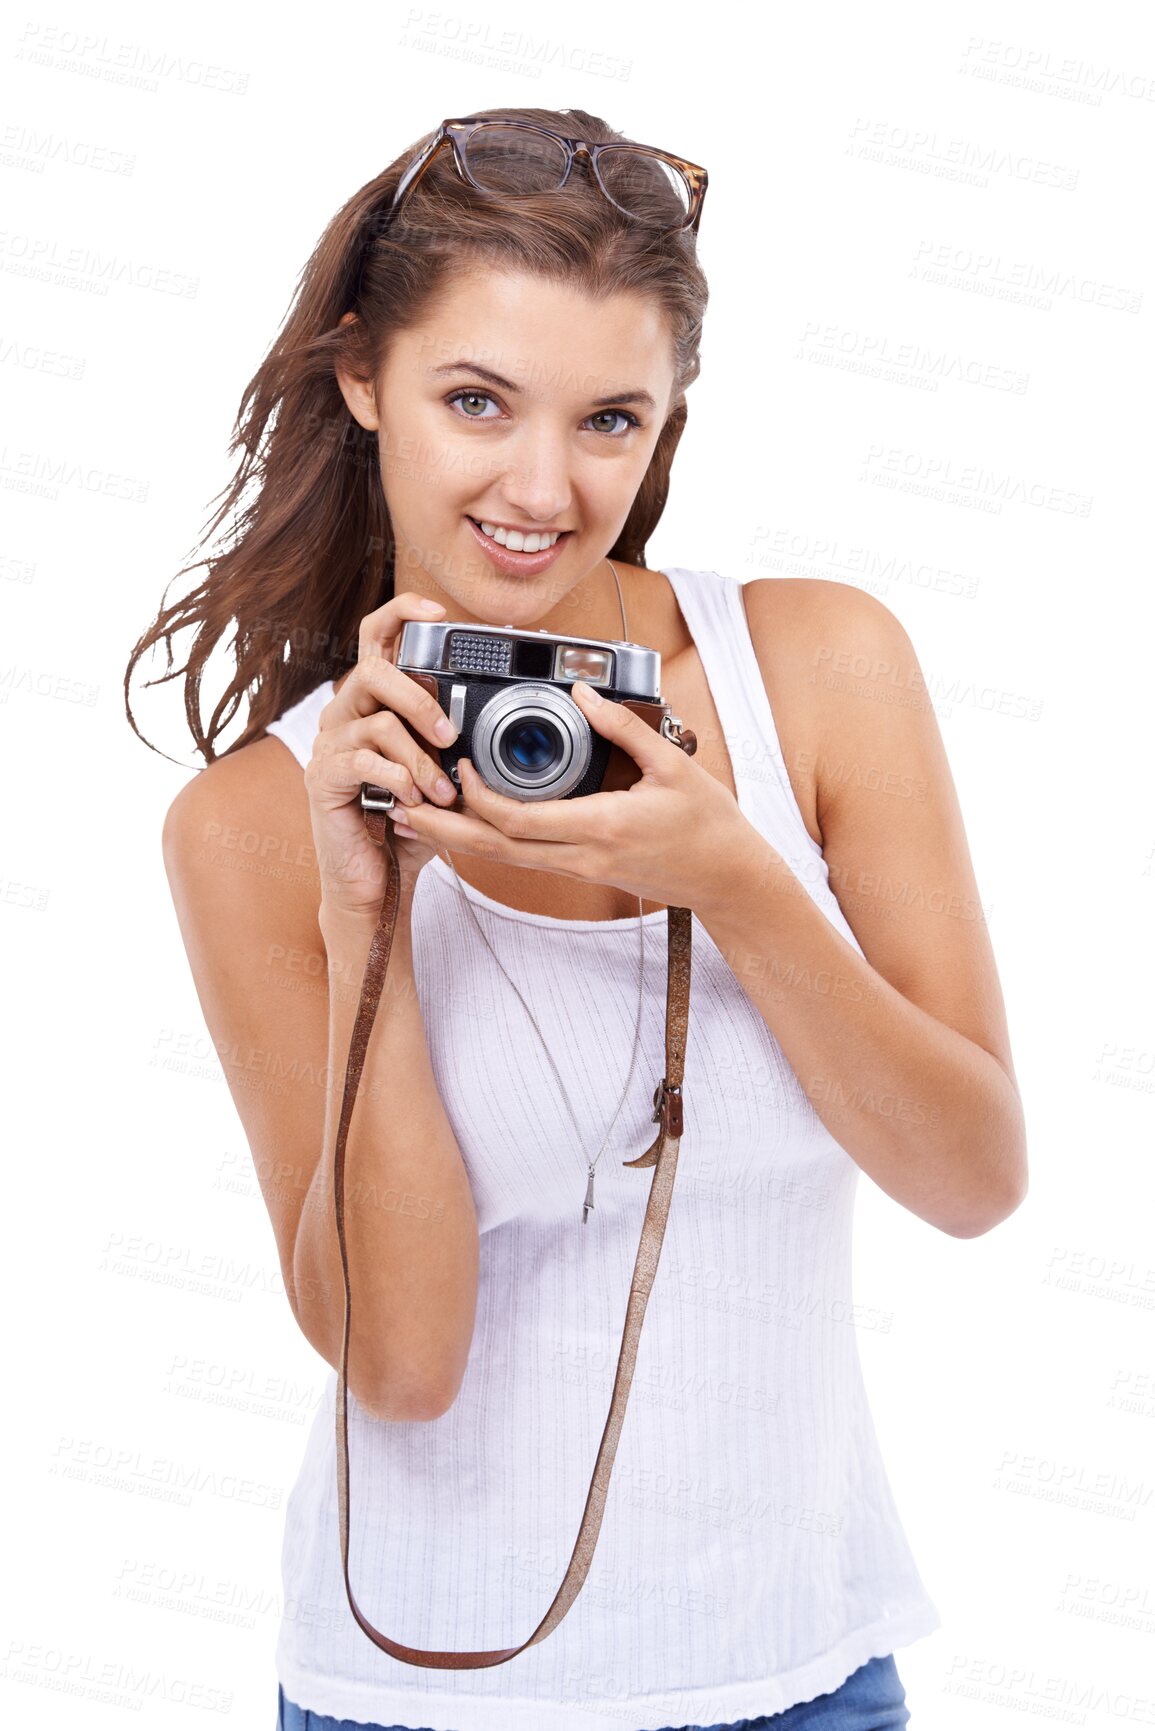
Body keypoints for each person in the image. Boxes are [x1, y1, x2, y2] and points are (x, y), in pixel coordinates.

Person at [130, 106, 1028, 1731]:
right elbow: (400, 1366)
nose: (542, 489)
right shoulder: (258, 820)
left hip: (806, 1676)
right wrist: (370, 923)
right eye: (476, 400)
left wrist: (740, 877)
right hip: (420, 1692)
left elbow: (972, 1179)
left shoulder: (814, 672)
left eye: (610, 419)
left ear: (669, 420)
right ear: (361, 381)